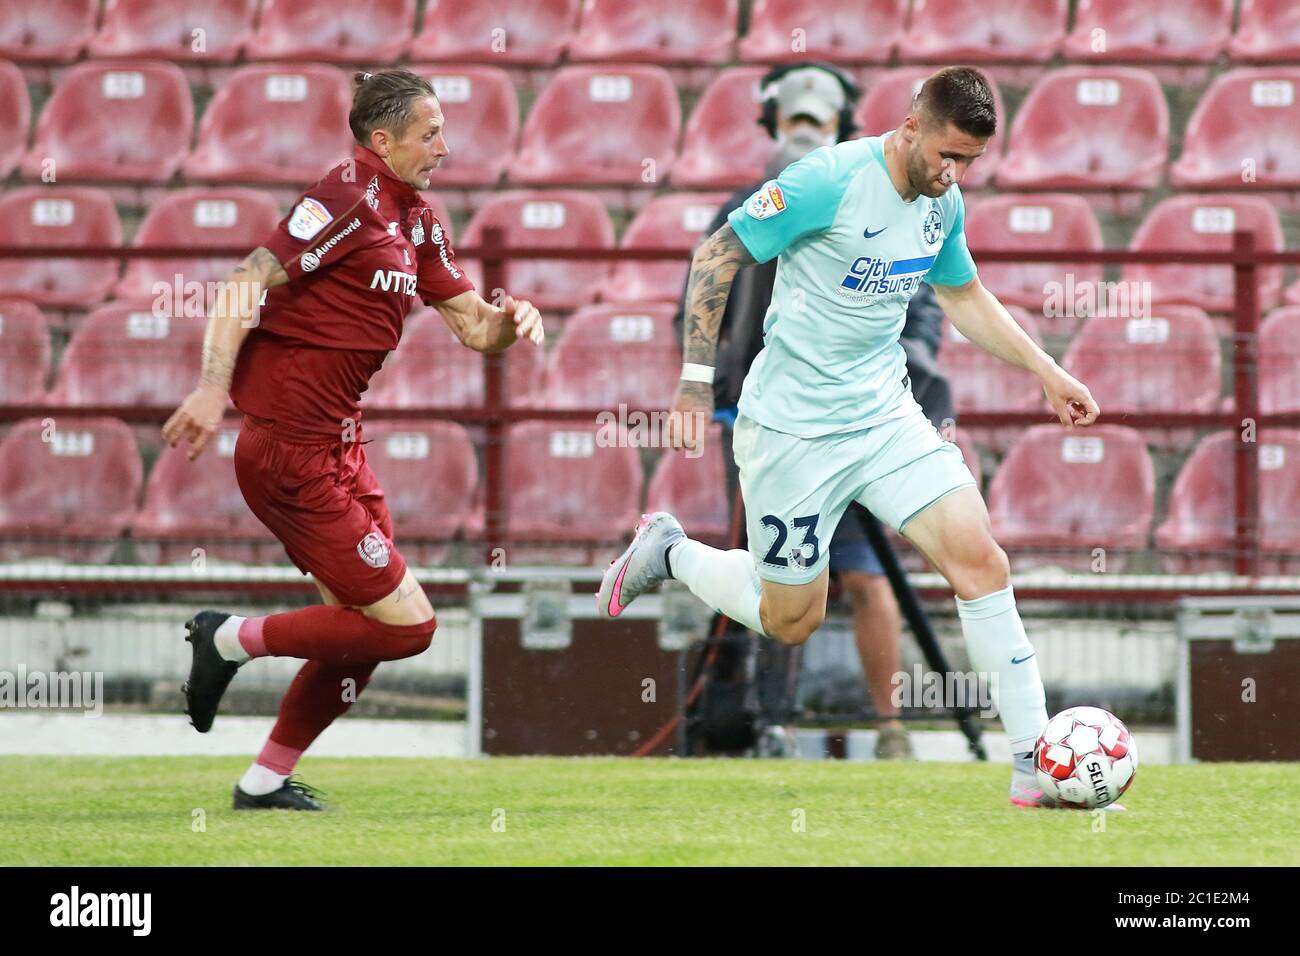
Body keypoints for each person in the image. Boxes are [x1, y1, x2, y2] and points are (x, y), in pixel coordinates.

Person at [600, 67, 1111, 810]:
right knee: (792, 620)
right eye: (947, 154)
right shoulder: (826, 181)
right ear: (910, 126)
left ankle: (1034, 766)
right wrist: (692, 379)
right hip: (790, 431)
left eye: (968, 162)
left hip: (883, 416)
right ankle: (671, 550)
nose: (953, 172)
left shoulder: (943, 204)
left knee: (980, 558)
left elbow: (962, 293)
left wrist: (1045, 368)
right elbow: (717, 254)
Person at [162, 69, 544, 811]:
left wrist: (511, 317)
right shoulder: (346, 196)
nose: (444, 146)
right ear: (383, 141)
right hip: (289, 452)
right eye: (429, 133)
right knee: (409, 627)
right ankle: (228, 638)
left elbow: (472, 328)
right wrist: (213, 387)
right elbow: (246, 281)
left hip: (341, 447)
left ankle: (263, 782)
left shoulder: (417, 219)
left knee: (361, 632)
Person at [672, 63, 948, 759]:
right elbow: (706, 294)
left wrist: (904, 368)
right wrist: (711, 387)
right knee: (780, 573)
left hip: (866, 417)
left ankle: (890, 729)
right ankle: (772, 721)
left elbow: (922, 303)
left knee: (865, 575)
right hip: (770, 421)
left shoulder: (889, 201)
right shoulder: (746, 205)